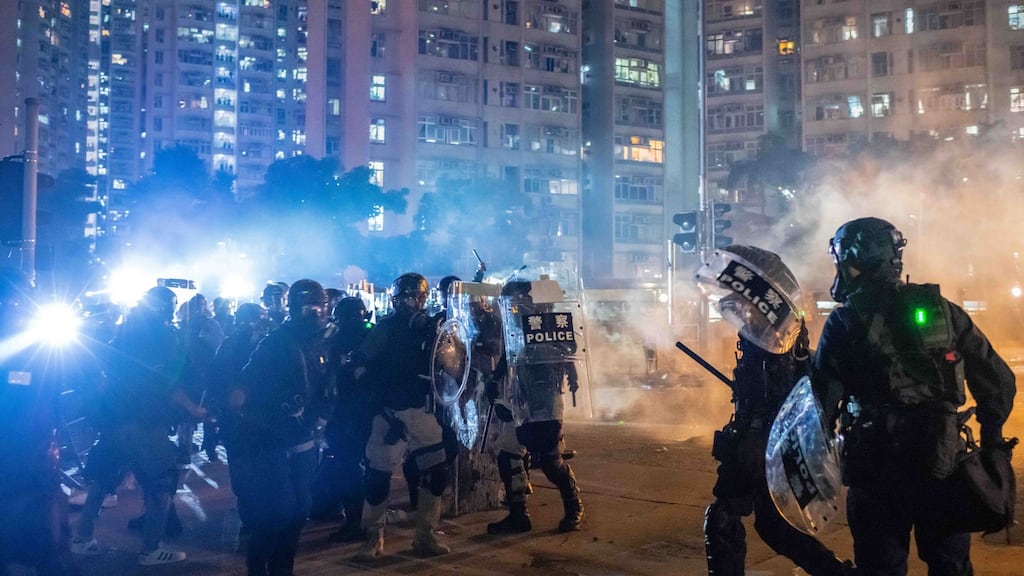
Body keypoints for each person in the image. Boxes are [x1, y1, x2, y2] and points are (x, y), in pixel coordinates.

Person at [813, 217, 1016, 576]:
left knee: (880, 568)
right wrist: (992, 443)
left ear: (856, 257)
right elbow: (997, 381)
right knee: (949, 566)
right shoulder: (942, 311)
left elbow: (820, 402)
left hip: (875, 468)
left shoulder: (845, 323)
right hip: (942, 461)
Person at [704, 323, 855, 574]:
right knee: (756, 524)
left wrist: (756, 434)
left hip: (771, 449)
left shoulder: (785, 356)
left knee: (760, 524)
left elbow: (789, 407)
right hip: (753, 447)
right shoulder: (757, 353)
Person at [99, 285, 205, 565]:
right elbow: (167, 383)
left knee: (112, 476)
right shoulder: (160, 336)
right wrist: (194, 408)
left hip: (117, 416)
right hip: (144, 420)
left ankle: (83, 535)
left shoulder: (126, 331)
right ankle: (150, 549)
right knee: (163, 481)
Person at [351, 272, 451, 560]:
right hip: (389, 412)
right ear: (397, 299)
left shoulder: (432, 329)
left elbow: (446, 362)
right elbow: (359, 363)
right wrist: (375, 392)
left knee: (436, 472)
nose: (414, 303)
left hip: (421, 408)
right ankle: (372, 536)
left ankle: (425, 535)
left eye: (418, 297)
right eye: (408, 297)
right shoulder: (385, 328)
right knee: (377, 476)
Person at [238, 279, 331, 576]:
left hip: (304, 438)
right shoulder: (275, 342)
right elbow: (247, 385)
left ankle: (282, 569)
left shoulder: (323, 342)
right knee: (278, 511)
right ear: (294, 309)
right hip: (270, 439)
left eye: (321, 308)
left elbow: (327, 387)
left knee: (300, 510)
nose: (316, 314)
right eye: (309, 309)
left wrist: (322, 416)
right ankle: (257, 566)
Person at [486, 279, 583, 535]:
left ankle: (573, 507)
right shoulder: (513, 326)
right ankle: (518, 514)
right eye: (510, 301)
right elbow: (511, 355)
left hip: (544, 399)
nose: (515, 306)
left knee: (550, 460)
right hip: (517, 398)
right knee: (508, 453)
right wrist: (495, 382)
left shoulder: (548, 322)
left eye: (519, 299)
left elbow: (569, 349)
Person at [0, 268, 81, 576]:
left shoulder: (37, 341)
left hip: (34, 449)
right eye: (21, 296)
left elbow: (52, 387)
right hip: (19, 452)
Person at [311, 297, 374, 541]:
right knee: (367, 466)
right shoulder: (373, 333)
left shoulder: (333, 336)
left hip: (343, 413)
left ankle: (354, 522)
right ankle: (367, 516)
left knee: (348, 467)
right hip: (370, 412)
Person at [210, 302, 271, 539]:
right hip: (254, 418)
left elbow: (214, 380)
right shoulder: (263, 345)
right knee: (257, 469)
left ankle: (250, 518)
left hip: (237, 418)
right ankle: (256, 518)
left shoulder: (229, 344)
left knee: (243, 469)